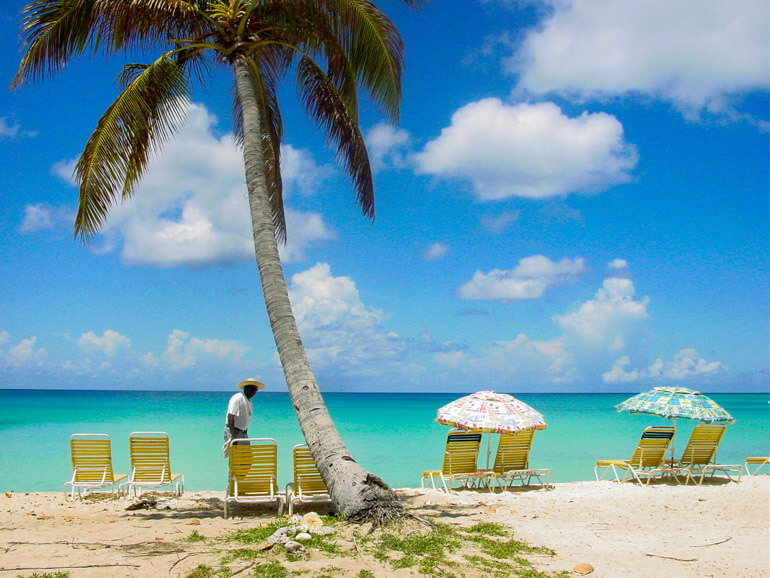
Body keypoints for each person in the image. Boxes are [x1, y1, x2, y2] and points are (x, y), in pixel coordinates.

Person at [223, 378, 265, 457]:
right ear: (246, 388)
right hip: (234, 431)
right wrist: (233, 436)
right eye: (251, 389)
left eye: (255, 390)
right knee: (236, 459)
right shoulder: (238, 398)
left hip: (242, 432)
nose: (253, 392)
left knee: (246, 459)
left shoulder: (248, 402)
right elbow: (230, 416)